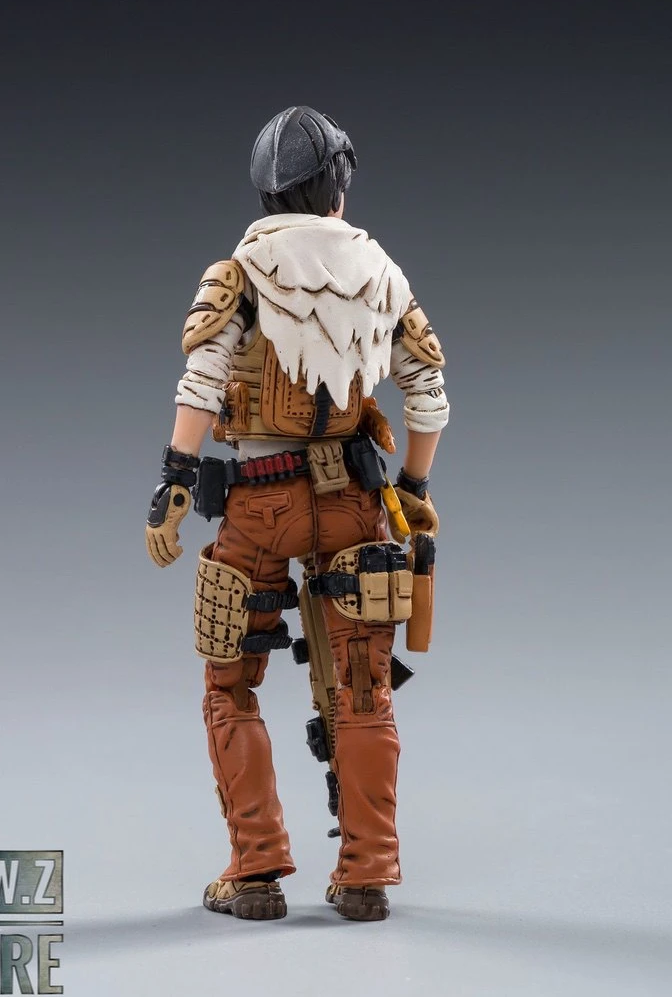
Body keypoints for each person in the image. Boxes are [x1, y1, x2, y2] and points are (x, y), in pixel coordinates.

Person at [145, 105, 449, 922]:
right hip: (354, 503)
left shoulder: (239, 275)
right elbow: (428, 393)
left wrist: (176, 482)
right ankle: (366, 873)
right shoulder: (383, 274)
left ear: (265, 191)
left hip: (258, 505)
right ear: (338, 189)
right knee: (364, 688)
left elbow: (200, 385)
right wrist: (413, 487)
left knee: (230, 682)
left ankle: (254, 870)